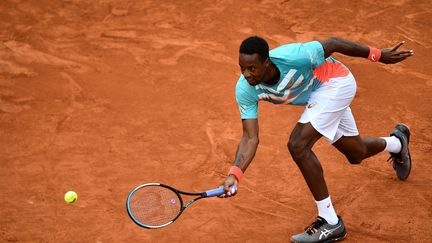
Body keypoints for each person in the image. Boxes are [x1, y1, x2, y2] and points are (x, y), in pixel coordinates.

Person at [218, 36, 413, 243]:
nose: (246, 74)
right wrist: (235, 174)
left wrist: (378, 55)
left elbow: (334, 43)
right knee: (356, 153)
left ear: (267, 62)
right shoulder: (245, 88)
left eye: (252, 68)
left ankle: (330, 222)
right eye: (242, 68)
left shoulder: (295, 56)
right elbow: (250, 137)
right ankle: (398, 143)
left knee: (297, 145)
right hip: (317, 98)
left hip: (336, 83)